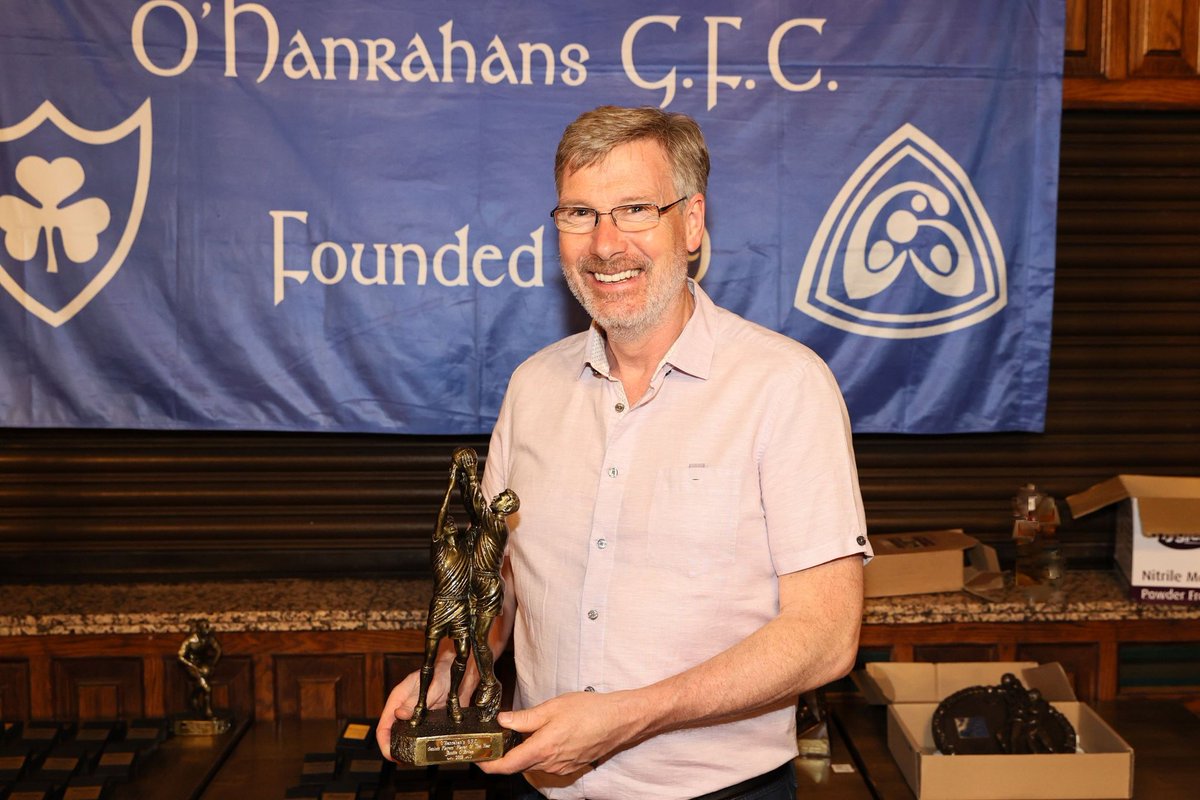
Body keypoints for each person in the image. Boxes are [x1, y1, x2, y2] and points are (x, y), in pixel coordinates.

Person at [380, 105, 871, 800]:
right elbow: (502, 588)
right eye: (579, 214)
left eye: (635, 210)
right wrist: (452, 672)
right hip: (533, 786)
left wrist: (628, 716)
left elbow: (826, 636)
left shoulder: (785, 386)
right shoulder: (532, 388)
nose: (605, 244)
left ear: (691, 223)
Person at [410, 458, 475, 727]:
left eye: (451, 522)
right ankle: (421, 702)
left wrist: (469, 479)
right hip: (440, 604)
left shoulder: (466, 548)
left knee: (464, 653)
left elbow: (477, 517)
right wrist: (451, 481)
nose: (449, 522)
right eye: (446, 522)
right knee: (429, 656)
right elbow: (442, 510)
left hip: (460, 605)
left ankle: (453, 697)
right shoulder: (439, 546)